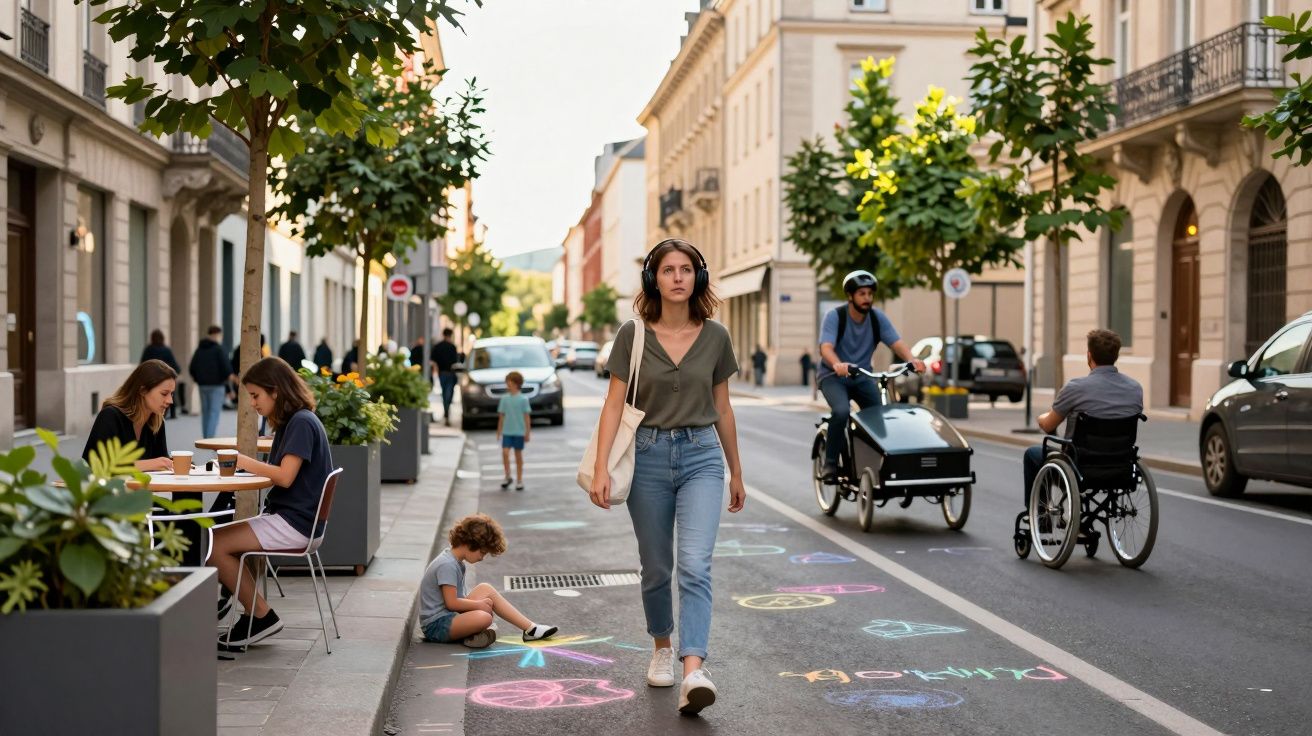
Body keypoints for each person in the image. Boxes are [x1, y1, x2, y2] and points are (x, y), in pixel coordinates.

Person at [592, 238, 745, 716]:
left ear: (696, 277)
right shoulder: (632, 335)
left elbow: (722, 406)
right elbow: (613, 404)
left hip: (702, 455)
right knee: (657, 567)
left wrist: (736, 470)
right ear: (652, 280)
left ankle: (693, 668)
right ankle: (662, 645)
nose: (677, 277)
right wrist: (600, 467)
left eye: (685, 270)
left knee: (696, 564)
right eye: (667, 270)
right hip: (648, 457)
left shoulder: (716, 335)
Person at [211, 357, 334, 647]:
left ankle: (259, 615)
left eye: (256, 395)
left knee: (214, 544)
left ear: (275, 391)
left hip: (295, 523)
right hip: (297, 519)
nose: (253, 403)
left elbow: (285, 477)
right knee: (216, 539)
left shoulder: (301, 423)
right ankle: (247, 607)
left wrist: (242, 461)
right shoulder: (298, 421)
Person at [83, 360, 206, 566]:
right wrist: (153, 463)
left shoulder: (155, 422)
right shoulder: (111, 416)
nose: (170, 401)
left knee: (189, 501)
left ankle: (185, 577)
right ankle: (172, 571)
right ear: (142, 390)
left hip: (145, 497)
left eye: (172, 394)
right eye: (164, 393)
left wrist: (176, 467)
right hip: (110, 500)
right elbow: (96, 466)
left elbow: (162, 467)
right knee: (182, 511)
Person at [816, 271, 925, 480]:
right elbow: (826, 347)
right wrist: (838, 364)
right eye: (862, 294)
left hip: (862, 376)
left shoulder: (877, 318)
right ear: (850, 296)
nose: (867, 298)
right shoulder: (835, 316)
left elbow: (896, 343)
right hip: (833, 376)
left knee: (879, 417)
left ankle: (875, 464)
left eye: (870, 294)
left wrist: (913, 359)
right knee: (840, 411)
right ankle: (829, 464)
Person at [1022, 329, 1143, 507]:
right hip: (1120, 465)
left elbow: (1048, 426)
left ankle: (1040, 516)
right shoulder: (1135, 389)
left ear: (1089, 355)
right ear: (1116, 355)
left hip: (1080, 466)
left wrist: (1041, 418)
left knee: (1032, 454)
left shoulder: (1076, 388)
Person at [417, 513, 557, 648]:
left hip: (449, 616)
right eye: (482, 552)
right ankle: (473, 633)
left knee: (485, 588)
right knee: (484, 617)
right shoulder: (447, 565)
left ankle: (531, 629)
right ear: (469, 543)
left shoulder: (454, 560)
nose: (482, 558)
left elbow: (455, 602)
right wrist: (478, 605)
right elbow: (452, 603)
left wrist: (478, 605)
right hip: (436, 626)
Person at [190, 325, 237, 439]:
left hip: (203, 386)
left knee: (206, 413)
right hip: (217, 386)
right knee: (214, 413)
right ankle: (209, 438)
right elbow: (226, 369)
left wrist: (199, 379)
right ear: (218, 335)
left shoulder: (199, 349)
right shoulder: (219, 349)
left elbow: (192, 367)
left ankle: (206, 437)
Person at [497, 371, 532, 491]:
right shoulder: (504, 399)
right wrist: (499, 431)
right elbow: (501, 416)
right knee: (505, 453)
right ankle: (507, 476)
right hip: (507, 431)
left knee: (518, 456)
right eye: (507, 382)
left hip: (519, 432)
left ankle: (519, 480)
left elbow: (526, 417)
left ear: (517, 384)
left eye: (510, 382)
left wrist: (527, 432)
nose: (508, 384)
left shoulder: (523, 399)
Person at [140, 329, 182, 418]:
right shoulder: (166, 350)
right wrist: (175, 373)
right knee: (169, 394)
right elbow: (174, 365)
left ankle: (152, 413)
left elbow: (142, 364)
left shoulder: (148, 350)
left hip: (151, 380)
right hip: (164, 378)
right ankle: (171, 414)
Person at [430, 328, 460, 426]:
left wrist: (436, 370)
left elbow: (433, 361)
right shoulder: (452, 347)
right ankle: (447, 412)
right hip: (450, 373)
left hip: (442, 373)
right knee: (448, 394)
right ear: (450, 335)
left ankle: (446, 412)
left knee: (445, 394)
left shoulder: (438, 346)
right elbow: (456, 362)